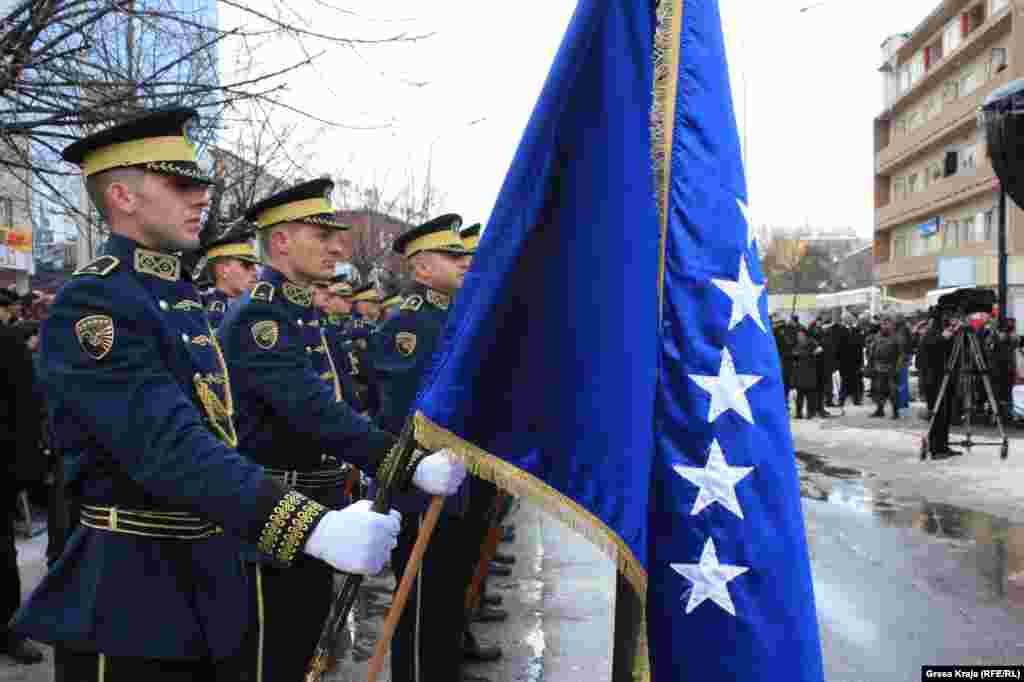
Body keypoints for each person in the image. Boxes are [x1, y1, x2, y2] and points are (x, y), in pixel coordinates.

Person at [11, 108, 417, 681]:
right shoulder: (96, 301)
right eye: (181, 183)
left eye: (200, 182)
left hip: (206, 571)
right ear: (123, 196)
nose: (202, 195)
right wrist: (310, 526)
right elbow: (167, 445)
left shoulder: (171, 294)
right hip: (132, 589)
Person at [218, 178, 467, 681]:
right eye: (321, 234)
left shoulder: (295, 311)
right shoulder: (260, 317)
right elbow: (316, 413)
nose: (338, 245)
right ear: (281, 242)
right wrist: (409, 465)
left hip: (316, 505)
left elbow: (341, 404)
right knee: (275, 659)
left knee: (304, 646)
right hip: (273, 517)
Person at [368, 214, 498, 682]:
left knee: (447, 598)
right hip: (423, 485)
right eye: (452, 255)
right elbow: (405, 418)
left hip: (455, 480)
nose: (465, 263)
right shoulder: (409, 326)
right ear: (421, 268)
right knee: (422, 607)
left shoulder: (450, 318)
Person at [0, 290, 44, 665]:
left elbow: (26, 407)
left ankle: (10, 630)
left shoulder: (8, 343)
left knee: (1, 555)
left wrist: (25, 471)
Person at [196, 227, 260, 328]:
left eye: (255, 266)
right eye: (247, 265)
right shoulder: (205, 310)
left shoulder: (260, 305)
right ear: (223, 270)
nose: (255, 272)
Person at [868, 316, 903, 419]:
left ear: (892, 325)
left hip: (891, 368)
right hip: (878, 367)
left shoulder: (897, 337)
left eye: (887, 324)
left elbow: (902, 354)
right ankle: (879, 410)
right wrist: (871, 365)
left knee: (893, 391)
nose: (885, 326)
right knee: (879, 390)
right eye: (883, 324)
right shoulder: (877, 337)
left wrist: (898, 367)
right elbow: (872, 351)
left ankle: (896, 412)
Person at [791, 328, 821, 420]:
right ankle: (799, 413)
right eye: (798, 335)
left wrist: (811, 354)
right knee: (800, 395)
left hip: (809, 371)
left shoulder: (811, 342)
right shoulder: (796, 344)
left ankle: (810, 412)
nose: (799, 337)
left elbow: (819, 349)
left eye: (800, 335)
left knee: (810, 395)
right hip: (799, 372)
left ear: (805, 335)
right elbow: (793, 353)